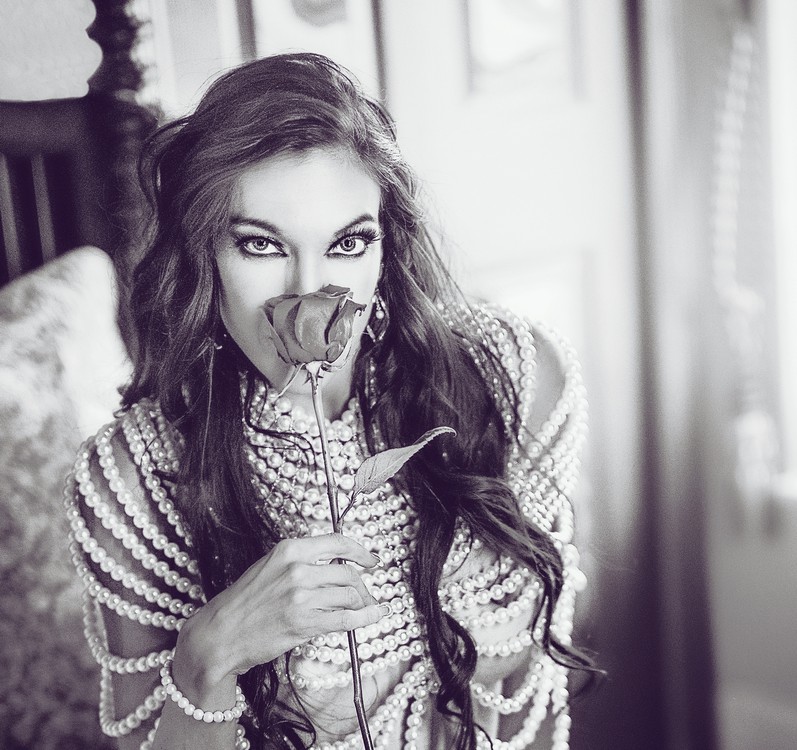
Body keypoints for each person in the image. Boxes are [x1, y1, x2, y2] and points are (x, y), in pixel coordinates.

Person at [65, 52, 592, 750]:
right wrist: (207, 658)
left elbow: (539, 688)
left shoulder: (511, 376)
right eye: (260, 245)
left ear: (385, 248)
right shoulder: (135, 479)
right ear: (203, 254)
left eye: (348, 243)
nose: (310, 292)